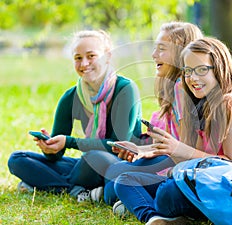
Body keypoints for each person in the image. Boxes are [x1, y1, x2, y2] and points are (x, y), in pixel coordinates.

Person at [114, 37, 232, 224]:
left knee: (166, 194)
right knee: (124, 180)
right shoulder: (199, 106)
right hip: (205, 183)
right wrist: (148, 150)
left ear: (220, 69)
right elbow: (194, 161)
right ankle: (156, 219)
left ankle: (159, 209)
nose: (193, 78)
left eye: (202, 70)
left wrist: (178, 149)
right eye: (188, 71)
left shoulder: (229, 104)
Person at [78, 21, 204, 205]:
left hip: (183, 166)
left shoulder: (182, 89)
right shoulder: (174, 88)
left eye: (161, 49)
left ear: (180, 52)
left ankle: (135, 196)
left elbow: (183, 150)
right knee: (114, 174)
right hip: (172, 160)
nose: (154, 55)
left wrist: (147, 156)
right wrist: (141, 151)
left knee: (114, 181)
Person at [7, 29, 141, 199]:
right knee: (18, 159)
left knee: (93, 158)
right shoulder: (71, 97)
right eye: (78, 58)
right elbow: (56, 156)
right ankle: (75, 190)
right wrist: (49, 148)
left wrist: (69, 142)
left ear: (107, 56)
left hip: (119, 165)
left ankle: (45, 184)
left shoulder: (125, 89)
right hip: (85, 167)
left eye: (91, 56)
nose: (84, 64)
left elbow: (119, 145)